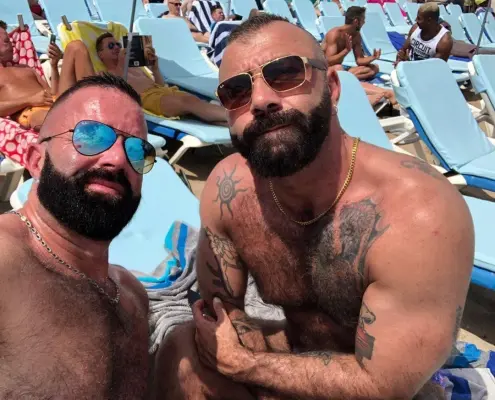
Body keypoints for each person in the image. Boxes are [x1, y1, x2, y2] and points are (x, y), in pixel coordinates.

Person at [154, 14, 474, 399]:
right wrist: (245, 345)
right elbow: (223, 311)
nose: (261, 101)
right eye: (237, 91)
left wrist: (248, 364)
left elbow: (384, 385)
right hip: (294, 351)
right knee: (182, 350)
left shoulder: (418, 211)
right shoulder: (230, 191)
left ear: (333, 88)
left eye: (286, 74)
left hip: (378, 379)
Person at [0, 73, 152, 398]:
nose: (118, 159)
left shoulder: (133, 297)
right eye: (91, 135)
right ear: (36, 160)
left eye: (137, 149)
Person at [94, 33, 227, 123]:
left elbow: (160, 85)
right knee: (189, 102)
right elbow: (120, 97)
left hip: (163, 93)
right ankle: (233, 116)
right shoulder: (104, 74)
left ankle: (231, 127)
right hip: (148, 100)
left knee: (196, 104)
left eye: (118, 44)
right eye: (110, 46)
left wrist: (155, 68)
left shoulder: (135, 67)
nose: (116, 48)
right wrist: (121, 64)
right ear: (101, 55)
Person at [322, 7, 396, 106]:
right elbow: (328, 61)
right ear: (356, 21)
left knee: (374, 68)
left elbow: (359, 60)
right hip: (323, 71)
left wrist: (373, 57)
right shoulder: (335, 34)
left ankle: (347, 79)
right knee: (339, 68)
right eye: (363, 19)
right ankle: (384, 92)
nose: (364, 22)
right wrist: (346, 51)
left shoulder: (356, 35)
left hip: (338, 71)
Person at [0, 21, 63, 129]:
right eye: (6, 40)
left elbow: (53, 93)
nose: (11, 44)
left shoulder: (25, 68)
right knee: (57, 120)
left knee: (76, 48)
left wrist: (54, 66)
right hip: (33, 112)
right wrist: (29, 100)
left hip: (55, 104)